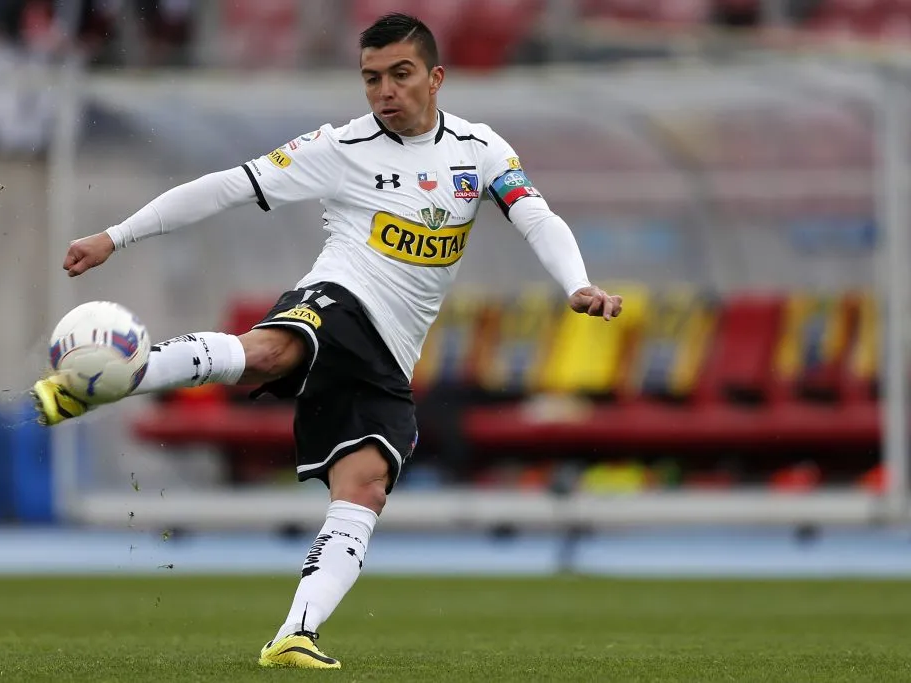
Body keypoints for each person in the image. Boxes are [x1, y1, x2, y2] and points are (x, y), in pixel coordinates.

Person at [31, 13, 622, 669]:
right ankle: (110, 381)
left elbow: (535, 215)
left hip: (391, 354)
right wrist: (116, 235)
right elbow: (225, 187)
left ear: (436, 77)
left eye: (400, 75)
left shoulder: (479, 150)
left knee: (364, 488)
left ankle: (295, 631)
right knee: (272, 351)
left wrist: (578, 282)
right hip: (338, 299)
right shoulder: (339, 148)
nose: (385, 92)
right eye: (372, 78)